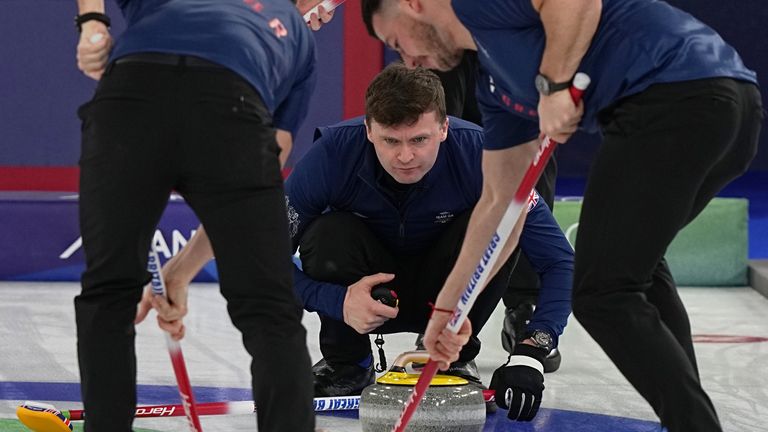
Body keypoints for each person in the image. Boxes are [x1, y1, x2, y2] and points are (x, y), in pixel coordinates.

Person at [361, 0, 763, 429]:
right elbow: (499, 204)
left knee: (603, 293)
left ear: (414, 5)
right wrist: (448, 312)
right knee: (636, 268)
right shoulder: (495, 84)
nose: (407, 58)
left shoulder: (475, 5)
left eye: (396, 42)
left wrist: (554, 87)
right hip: (726, 107)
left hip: (675, 97)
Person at [153, 63, 574, 401]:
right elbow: (258, 263)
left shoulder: (481, 155)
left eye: (420, 139)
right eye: (390, 140)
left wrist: (532, 353)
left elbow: (558, 260)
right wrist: (336, 300)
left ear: (445, 129)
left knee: (496, 225)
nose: (405, 156)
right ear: (369, 129)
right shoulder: (333, 154)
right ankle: (346, 363)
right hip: (363, 298)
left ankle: (455, 354)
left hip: (450, 301)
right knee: (328, 232)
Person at [73, 0, 317, 431]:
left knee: (108, 294)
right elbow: (259, 173)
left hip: (129, 99)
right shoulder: (297, 36)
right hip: (233, 110)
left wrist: (92, 23)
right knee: (270, 310)